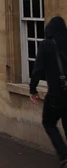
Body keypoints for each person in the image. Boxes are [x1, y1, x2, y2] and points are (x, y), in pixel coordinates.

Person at [30, 16, 67, 167]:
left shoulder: (46, 45)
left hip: (57, 94)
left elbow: (38, 69)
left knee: (48, 122)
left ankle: (64, 156)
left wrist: (33, 89)